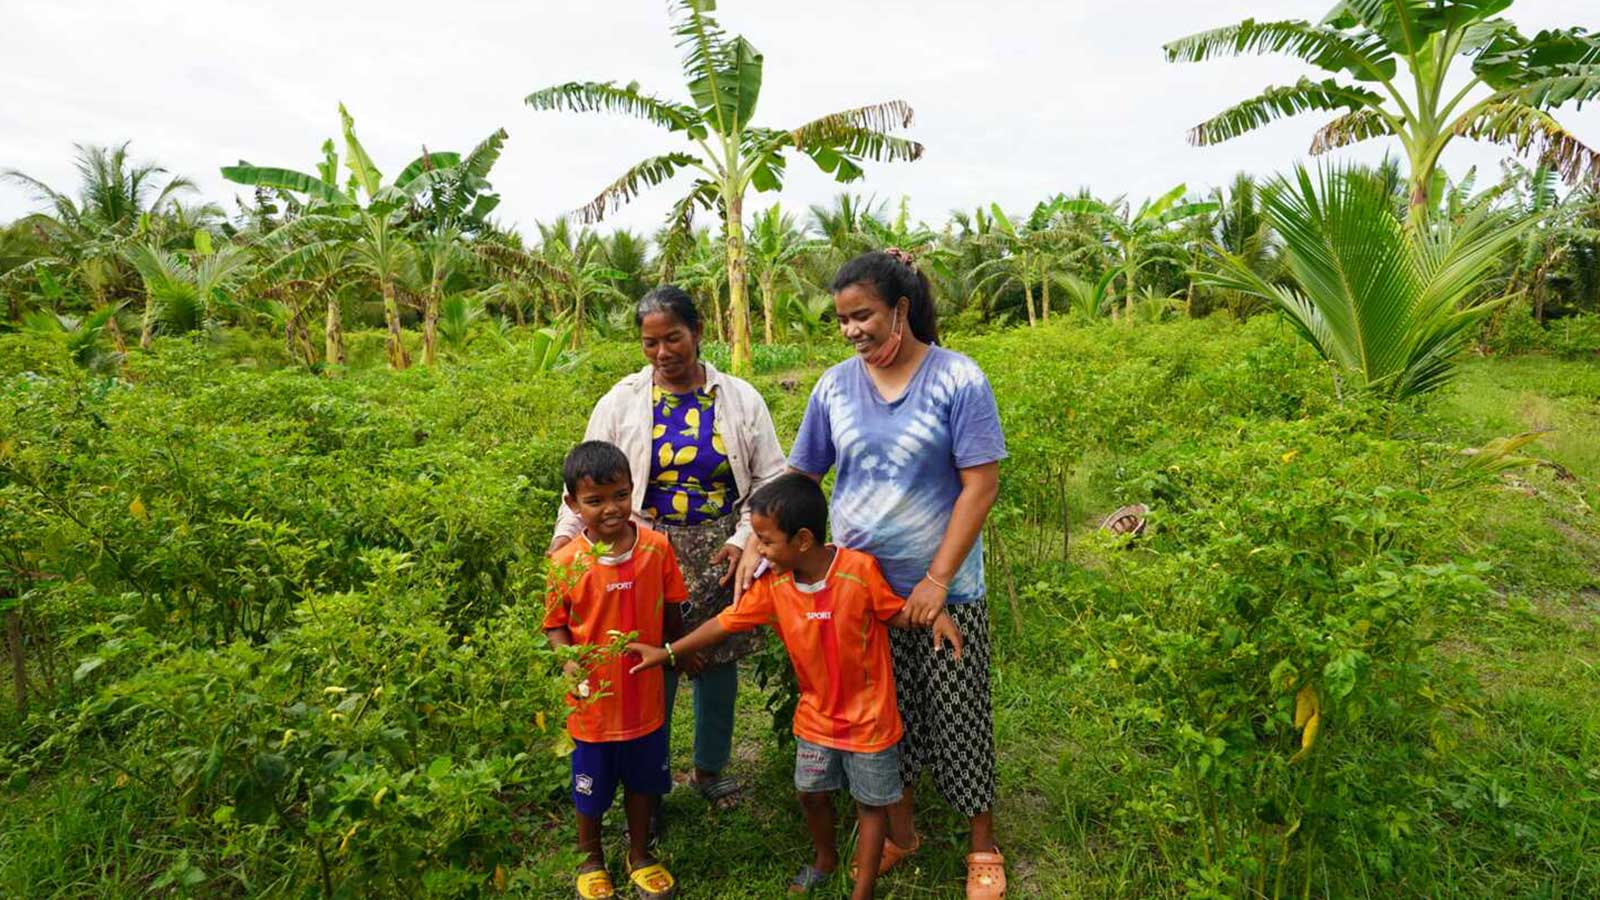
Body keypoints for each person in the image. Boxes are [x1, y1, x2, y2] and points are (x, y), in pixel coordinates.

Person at [785, 249, 1010, 898]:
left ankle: (982, 845)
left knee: (959, 713)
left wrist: (938, 581)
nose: (853, 331)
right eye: (843, 320)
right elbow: (805, 474)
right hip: (862, 594)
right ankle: (901, 836)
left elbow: (980, 485)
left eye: (865, 317)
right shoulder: (833, 386)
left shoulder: (958, 380)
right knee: (884, 721)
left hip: (945, 593)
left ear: (901, 311)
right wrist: (761, 537)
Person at [626, 474, 962, 899]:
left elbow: (894, 611)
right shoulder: (775, 587)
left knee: (871, 805)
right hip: (816, 718)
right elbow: (724, 623)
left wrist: (934, 615)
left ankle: (862, 890)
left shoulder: (859, 572)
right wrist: (668, 653)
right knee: (809, 791)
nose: (758, 551)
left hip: (871, 720)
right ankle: (826, 858)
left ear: (802, 540)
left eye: (765, 542)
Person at [551, 285, 787, 813]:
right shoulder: (620, 401)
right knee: (650, 662)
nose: (663, 353)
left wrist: (745, 538)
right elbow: (585, 477)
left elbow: (771, 477)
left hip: (723, 549)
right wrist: (564, 541)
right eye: (650, 343)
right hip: (643, 548)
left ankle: (710, 768)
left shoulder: (741, 397)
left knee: (718, 659)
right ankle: (648, 775)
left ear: (698, 332)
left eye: (673, 338)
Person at [543, 441, 686, 900]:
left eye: (620, 495)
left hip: (645, 698)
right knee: (591, 788)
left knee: (644, 783)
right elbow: (555, 626)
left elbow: (672, 611)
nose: (611, 508)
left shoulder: (657, 549)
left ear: (633, 490)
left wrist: (674, 650)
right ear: (572, 504)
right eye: (595, 500)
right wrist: (569, 662)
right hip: (591, 707)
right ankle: (591, 857)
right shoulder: (565, 563)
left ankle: (640, 853)